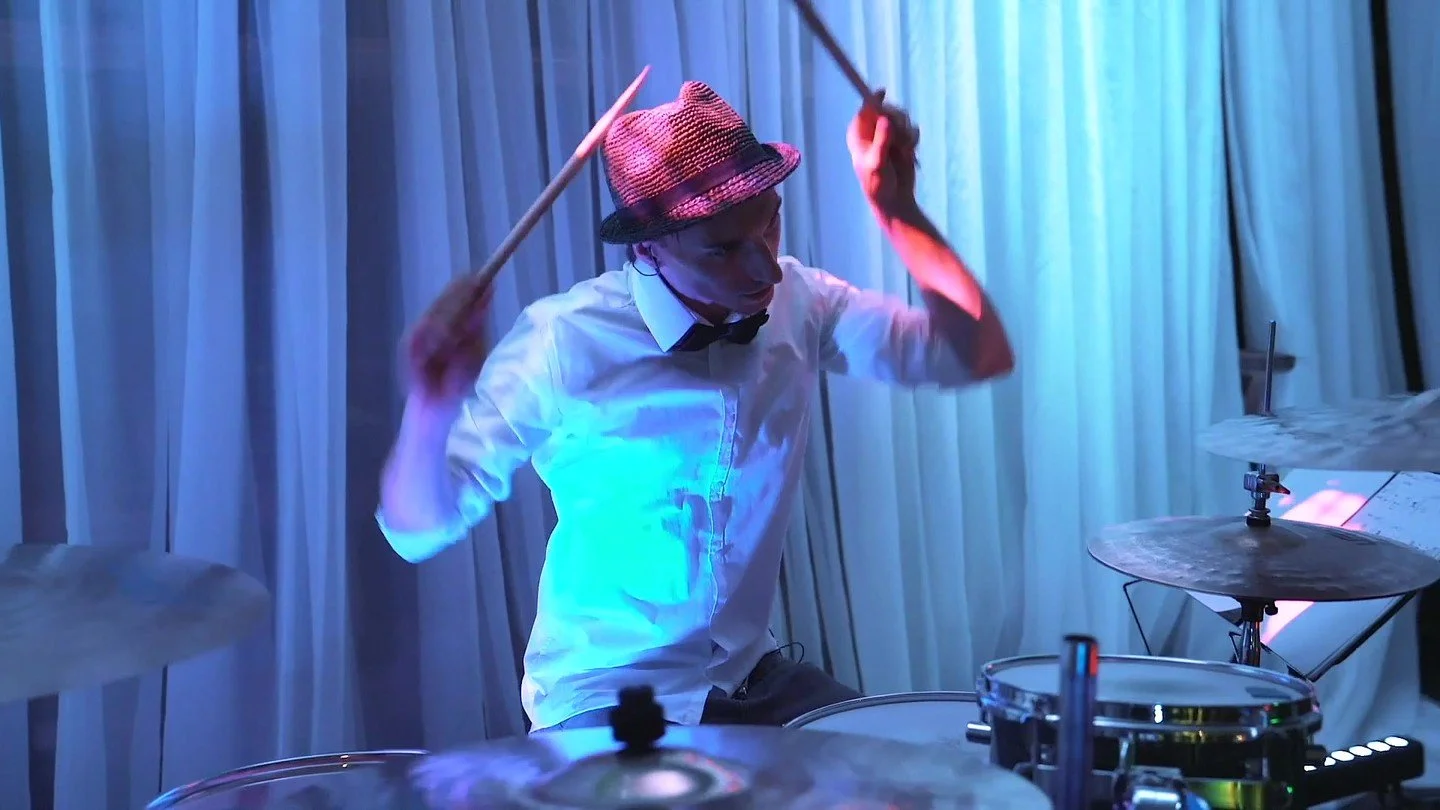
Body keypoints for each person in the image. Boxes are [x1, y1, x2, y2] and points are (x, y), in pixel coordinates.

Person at [377, 81, 1014, 732]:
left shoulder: (802, 301)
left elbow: (978, 354)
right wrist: (431, 404)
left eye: (770, 222)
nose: (767, 269)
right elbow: (414, 530)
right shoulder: (563, 340)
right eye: (723, 248)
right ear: (647, 247)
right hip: (608, 692)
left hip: (752, 678)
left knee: (922, 766)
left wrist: (899, 210)